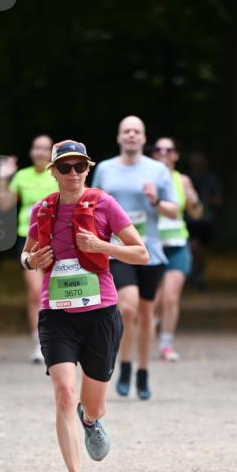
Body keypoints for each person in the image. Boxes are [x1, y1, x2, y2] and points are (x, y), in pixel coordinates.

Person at [21, 139, 148, 472]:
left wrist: (101, 247)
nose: (73, 173)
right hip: (56, 314)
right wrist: (32, 261)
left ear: (88, 169)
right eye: (65, 167)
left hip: (100, 314)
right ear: (54, 172)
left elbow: (140, 253)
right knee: (63, 391)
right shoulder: (42, 210)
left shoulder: (104, 204)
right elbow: (26, 255)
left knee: (93, 405)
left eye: (79, 167)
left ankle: (90, 422)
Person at [92, 116, 177, 399]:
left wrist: (155, 200)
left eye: (136, 131)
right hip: (117, 250)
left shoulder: (158, 170)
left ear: (143, 138)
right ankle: (124, 365)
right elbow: (92, 207)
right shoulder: (104, 169)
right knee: (126, 309)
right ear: (119, 137)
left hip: (149, 251)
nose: (131, 135)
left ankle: (142, 372)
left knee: (146, 313)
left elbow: (174, 211)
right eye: (126, 131)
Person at [0, 136, 58, 363]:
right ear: (31, 152)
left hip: (56, 239)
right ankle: (39, 343)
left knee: (57, 291)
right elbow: (4, 205)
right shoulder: (22, 176)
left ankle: (61, 340)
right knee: (35, 293)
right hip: (28, 239)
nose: (40, 152)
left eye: (45, 148)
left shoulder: (58, 174)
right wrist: (3, 179)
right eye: (37, 148)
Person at [151, 136, 202, 361]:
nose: (163, 153)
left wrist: (193, 201)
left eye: (168, 149)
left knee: (170, 298)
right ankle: (148, 332)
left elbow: (197, 213)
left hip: (177, 245)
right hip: (152, 246)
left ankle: (166, 344)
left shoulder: (183, 181)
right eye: (159, 149)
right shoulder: (146, 180)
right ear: (153, 154)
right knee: (153, 301)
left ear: (175, 155)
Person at [187, 152, 222, 291]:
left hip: (206, 220)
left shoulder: (211, 179)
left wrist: (209, 201)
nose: (198, 165)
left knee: (204, 251)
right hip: (190, 221)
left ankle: (199, 275)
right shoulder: (187, 178)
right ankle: (193, 274)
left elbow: (218, 198)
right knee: (194, 247)